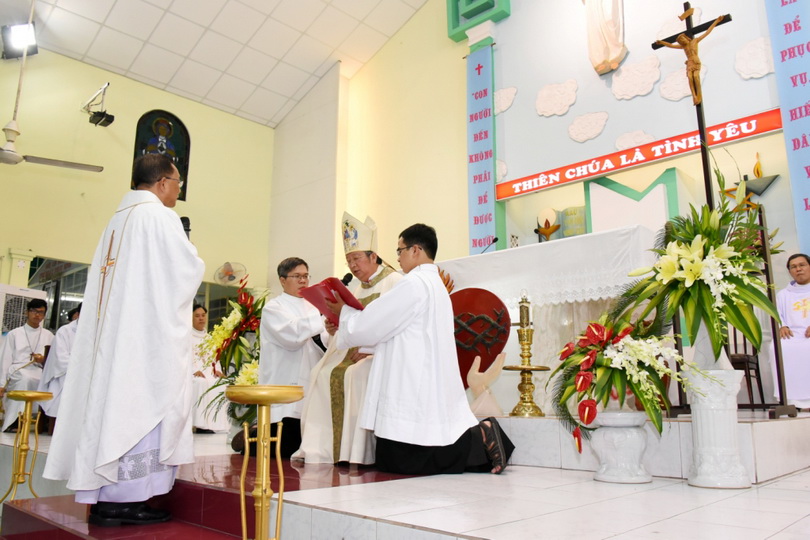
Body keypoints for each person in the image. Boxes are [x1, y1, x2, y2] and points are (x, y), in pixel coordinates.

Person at [43, 153, 204, 527]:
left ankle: (105, 498)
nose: (177, 192)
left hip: (117, 337)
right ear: (162, 182)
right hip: (144, 340)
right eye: (177, 184)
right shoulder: (159, 217)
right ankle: (127, 500)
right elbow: (187, 270)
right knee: (141, 407)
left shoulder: (117, 221)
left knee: (114, 407)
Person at [326, 223, 514, 475]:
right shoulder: (432, 283)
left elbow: (373, 323)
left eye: (400, 250)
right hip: (418, 370)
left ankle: (482, 435)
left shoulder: (413, 284)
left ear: (415, 250)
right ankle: (480, 440)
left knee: (400, 460)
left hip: (411, 374)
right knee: (394, 457)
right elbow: (390, 327)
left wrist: (344, 312)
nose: (397, 258)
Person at [293, 213, 402, 465]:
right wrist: (335, 327)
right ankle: (324, 451)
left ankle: (356, 453)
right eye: (349, 260)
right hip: (351, 351)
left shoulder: (395, 282)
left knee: (354, 374)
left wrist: (371, 350)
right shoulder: (356, 287)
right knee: (319, 374)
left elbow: (396, 325)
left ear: (373, 257)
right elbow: (352, 324)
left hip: (379, 354)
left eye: (357, 258)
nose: (353, 265)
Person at [257, 257, 327, 458]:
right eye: (297, 276)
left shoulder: (313, 307)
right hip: (285, 381)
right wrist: (322, 315)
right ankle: (249, 442)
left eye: (305, 276)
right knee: (281, 449)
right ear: (282, 280)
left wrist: (330, 330)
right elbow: (293, 336)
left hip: (310, 377)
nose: (303, 281)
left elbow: (323, 340)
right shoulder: (274, 308)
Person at [0, 298, 54, 432]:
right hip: (19, 368)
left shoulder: (49, 335)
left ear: (44, 315)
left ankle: (44, 421)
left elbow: (53, 358)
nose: (37, 315)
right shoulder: (14, 333)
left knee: (50, 382)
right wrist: (1, 384)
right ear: (27, 312)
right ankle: (15, 420)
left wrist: (43, 359)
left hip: (40, 369)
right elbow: (5, 358)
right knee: (25, 379)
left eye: (41, 312)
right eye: (34, 311)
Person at [655, 14, 725, 105]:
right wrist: (661, 42)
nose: (682, 41)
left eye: (682, 39)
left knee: (695, 77)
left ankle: (698, 95)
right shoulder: (683, 47)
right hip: (689, 63)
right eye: (680, 41)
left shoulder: (695, 41)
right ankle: (694, 96)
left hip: (695, 61)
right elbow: (671, 45)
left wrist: (716, 21)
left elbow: (707, 32)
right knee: (690, 78)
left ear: (685, 37)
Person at [776, 253, 810, 409]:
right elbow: (777, 315)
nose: (798, 269)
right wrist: (782, 326)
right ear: (789, 271)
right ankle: (790, 400)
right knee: (778, 348)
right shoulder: (783, 295)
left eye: (802, 265)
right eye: (793, 267)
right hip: (792, 336)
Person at [37, 304, 82, 418]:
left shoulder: (98, 332)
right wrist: (82, 366)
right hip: (65, 374)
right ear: (78, 315)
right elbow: (61, 360)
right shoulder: (65, 331)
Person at [190, 304, 229, 434]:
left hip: (209, 373)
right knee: (201, 383)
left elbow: (215, 358)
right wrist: (193, 370)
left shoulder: (210, 338)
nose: (201, 318)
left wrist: (218, 370)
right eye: (197, 316)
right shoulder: (186, 337)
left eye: (203, 315)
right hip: (193, 374)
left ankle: (219, 424)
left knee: (223, 383)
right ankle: (200, 425)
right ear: (191, 318)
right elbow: (183, 358)